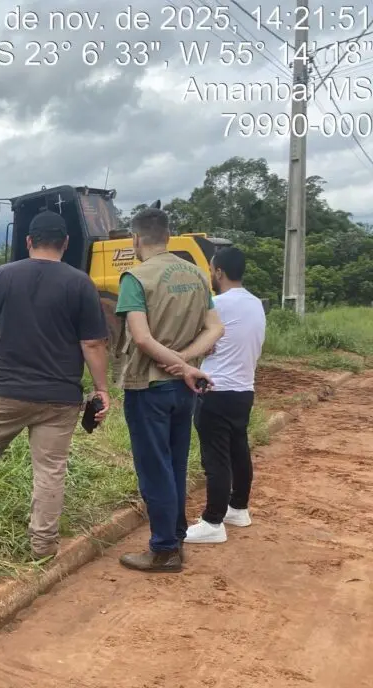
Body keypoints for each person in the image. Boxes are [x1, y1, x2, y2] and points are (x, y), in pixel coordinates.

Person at [0, 211, 111, 559]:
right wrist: (101, 389)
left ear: (28, 241)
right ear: (66, 243)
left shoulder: (1, 276)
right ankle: (43, 547)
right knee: (50, 469)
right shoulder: (80, 283)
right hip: (59, 398)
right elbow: (93, 344)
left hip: (6, 391)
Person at [114, 206, 223, 573]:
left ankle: (163, 549)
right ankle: (175, 535)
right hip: (185, 388)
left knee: (154, 468)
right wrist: (188, 363)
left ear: (135, 239)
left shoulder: (135, 277)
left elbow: (142, 339)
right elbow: (214, 329)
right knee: (175, 463)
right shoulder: (196, 274)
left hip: (149, 387)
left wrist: (175, 362)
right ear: (168, 236)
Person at [184, 246, 266, 544]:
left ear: (219, 272)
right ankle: (238, 508)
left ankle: (212, 521)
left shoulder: (217, 304)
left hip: (216, 389)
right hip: (244, 389)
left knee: (215, 457)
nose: (210, 274)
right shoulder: (256, 304)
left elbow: (201, 341)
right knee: (238, 450)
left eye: (211, 269)